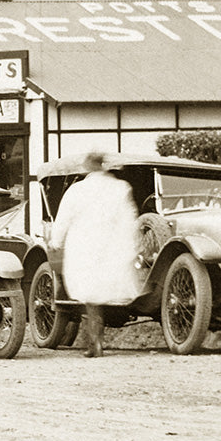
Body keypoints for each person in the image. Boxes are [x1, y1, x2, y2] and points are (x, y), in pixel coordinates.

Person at [48, 152, 140, 357]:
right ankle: (96, 341)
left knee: (90, 295)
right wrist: (131, 245)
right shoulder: (120, 188)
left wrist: (56, 241)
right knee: (104, 290)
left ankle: (95, 343)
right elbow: (129, 218)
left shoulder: (78, 190)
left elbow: (64, 218)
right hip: (112, 245)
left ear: (88, 167)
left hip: (85, 245)